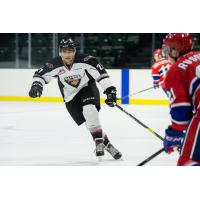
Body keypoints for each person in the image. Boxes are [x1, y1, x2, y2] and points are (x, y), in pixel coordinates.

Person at [29, 38, 122, 160]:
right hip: (70, 97)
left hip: (87, 88)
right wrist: (37, 84)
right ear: (60, 52)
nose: (67, 54)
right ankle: (107, 144)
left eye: (70, 51)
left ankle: (98, 142)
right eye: (64, 51)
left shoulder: (86, 60)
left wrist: (110, 90)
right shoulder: (54, 64)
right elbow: (40, 75)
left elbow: (101, 74)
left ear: (74, 51)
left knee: (90, 110)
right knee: (89, 123)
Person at [162, 33, 200, 166]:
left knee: (188, 161)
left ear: (175, 50)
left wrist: (175, 133)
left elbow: (181, 110)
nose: (165, 53)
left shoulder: (176, 69)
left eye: (167, 49)